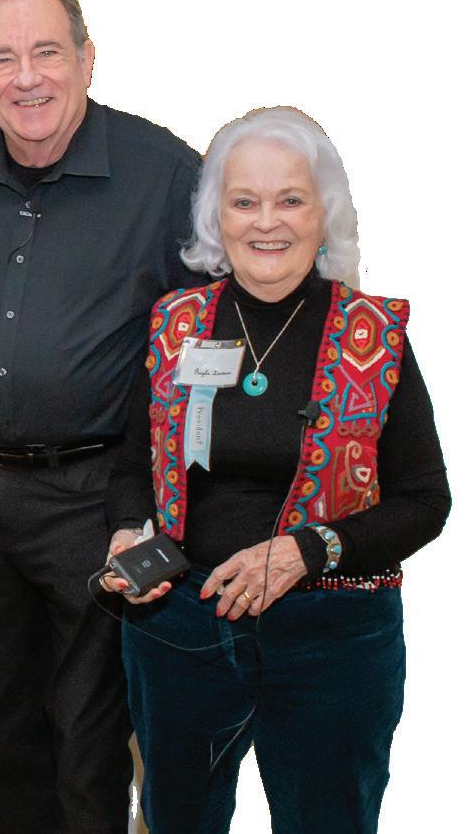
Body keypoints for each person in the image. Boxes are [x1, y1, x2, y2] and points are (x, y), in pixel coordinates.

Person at [102, 106, 449, 833]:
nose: (267, 222)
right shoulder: (175, 324)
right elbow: (134, 462)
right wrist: (129, 533)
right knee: (178, 819)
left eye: (290, 199)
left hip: (333, 635)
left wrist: (305, 551)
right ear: (215, 217)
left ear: (325, 214)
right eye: (244, 201)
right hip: (181, 627)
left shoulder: (375, 335)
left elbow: (425, 500)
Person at [0, 0, 204, 832]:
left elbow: (203, 353)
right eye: (1, 58)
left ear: (87, 58)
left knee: (88, 741)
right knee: (4, 729)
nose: (26, 78)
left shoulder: (167, 175)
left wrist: (151, 506)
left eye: (46, 52)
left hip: (95, 498)